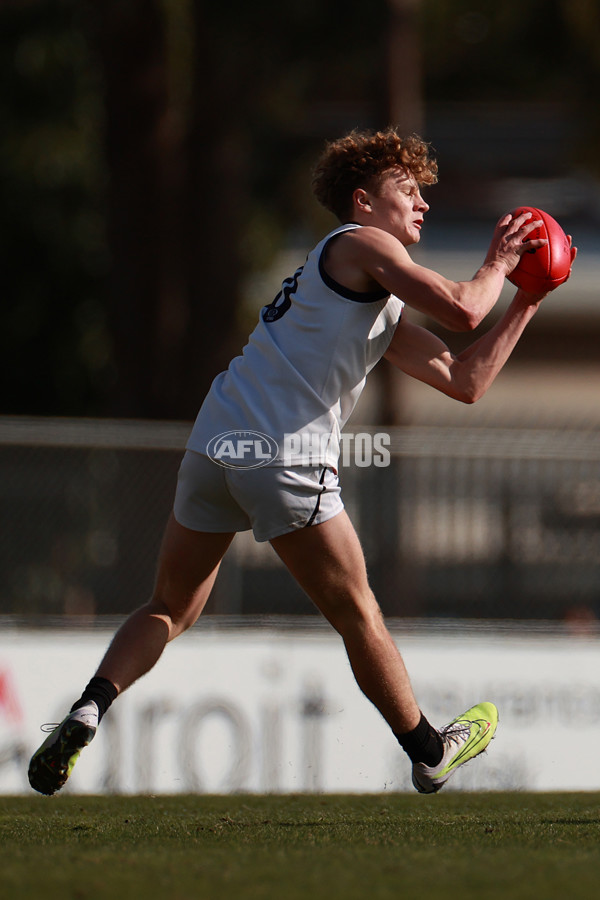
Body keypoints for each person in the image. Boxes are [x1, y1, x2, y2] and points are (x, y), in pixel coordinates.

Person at [28, 127, 575, 797]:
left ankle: (90, 707)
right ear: (363, 203)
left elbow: (466, 380)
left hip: (217, 442)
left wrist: (528, 300)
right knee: (359, 614)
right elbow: (464, 308)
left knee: (170, 605)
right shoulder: (359, 242)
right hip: (284, 455)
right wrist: (500, 260)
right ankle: (430, 750)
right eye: (408, 191)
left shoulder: (366, 292)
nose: (423, 206)